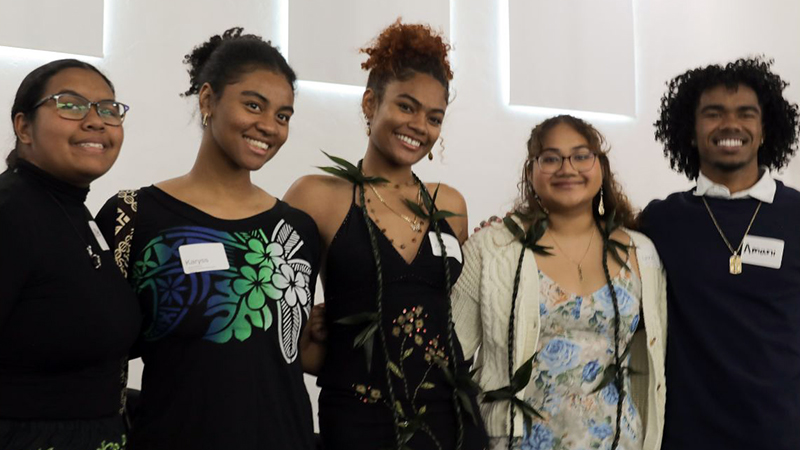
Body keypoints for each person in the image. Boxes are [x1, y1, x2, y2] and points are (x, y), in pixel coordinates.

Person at [95, 28, 323, 450]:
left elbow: (285, 356)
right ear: (207, 100)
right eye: (253, 105)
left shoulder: (296, 232)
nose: (269, 126)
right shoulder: (133, 216)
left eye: (283, 115)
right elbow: (92, 349)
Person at [285, 21, 487, 450]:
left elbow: (448, 312)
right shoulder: (316, 196)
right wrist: (316, 330)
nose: (419, 126)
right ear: (370, 102)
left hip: (450, 414)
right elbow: (282, 331)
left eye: (434, 118)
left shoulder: (449, 202)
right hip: (358, 415)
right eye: (407, 107)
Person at [452, 115, 667, 450]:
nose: (567, 168)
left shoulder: (643, 253)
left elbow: (657, 355)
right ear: (531, 172)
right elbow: (449, 356)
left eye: (581, 155)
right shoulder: (493, 249)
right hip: (515, 443)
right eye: (550, 158)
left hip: (618, 441)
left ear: (601, 168)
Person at [641, 56, 800, 450]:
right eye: (713, 114)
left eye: (746, 113)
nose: (731, 124)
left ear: (765, 131)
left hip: (782, 433)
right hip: (685, 436)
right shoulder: (661, 221)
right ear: (691, 133)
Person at [0, 59, 140, 450]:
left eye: (109, 109)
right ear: (24, 126)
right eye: (71, 104)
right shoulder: (10, 212)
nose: (96, 121)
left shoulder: (76, 213)